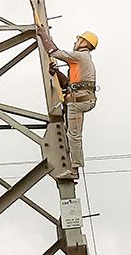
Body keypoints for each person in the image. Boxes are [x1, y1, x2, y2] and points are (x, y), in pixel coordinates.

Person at [37, 25, 98, 180]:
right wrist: (56, 72)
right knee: (72, 134)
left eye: (78, 39)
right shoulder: (80, 61)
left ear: (84, 43)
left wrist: (43, 35)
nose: (75, 41)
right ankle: (74, 165)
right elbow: (68, 84)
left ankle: (74, 169)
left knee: (74, 136)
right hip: (81, 99)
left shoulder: (80, 56)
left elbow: (54, 52)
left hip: (78, 101)